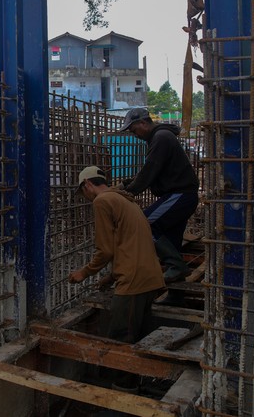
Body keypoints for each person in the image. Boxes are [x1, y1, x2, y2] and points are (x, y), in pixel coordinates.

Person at [69, 166, 165, 391]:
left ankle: (124, 393)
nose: (84, 197)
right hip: (149, 277)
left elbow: (106, 250)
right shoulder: (126, 200)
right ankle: (136, 384)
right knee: (137, 337)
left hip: (134, 282)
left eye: (83, 192)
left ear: (88, 185)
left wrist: (83, 273)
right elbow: (129, 245)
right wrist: (110, 277)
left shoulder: (101, 202)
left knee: (120, 341)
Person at [118, 108, 199, 286]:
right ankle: (177, 296)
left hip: (180, 195)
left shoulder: (161, 138)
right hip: (181, 196)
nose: (135, 135)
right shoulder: (161, 137)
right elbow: (154, 171)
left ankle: (178, 266)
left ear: (143, 123)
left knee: (145, 224)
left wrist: (128, 192)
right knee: (172, 243)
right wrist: (126, 184)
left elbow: (149, 171)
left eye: (134, 130)